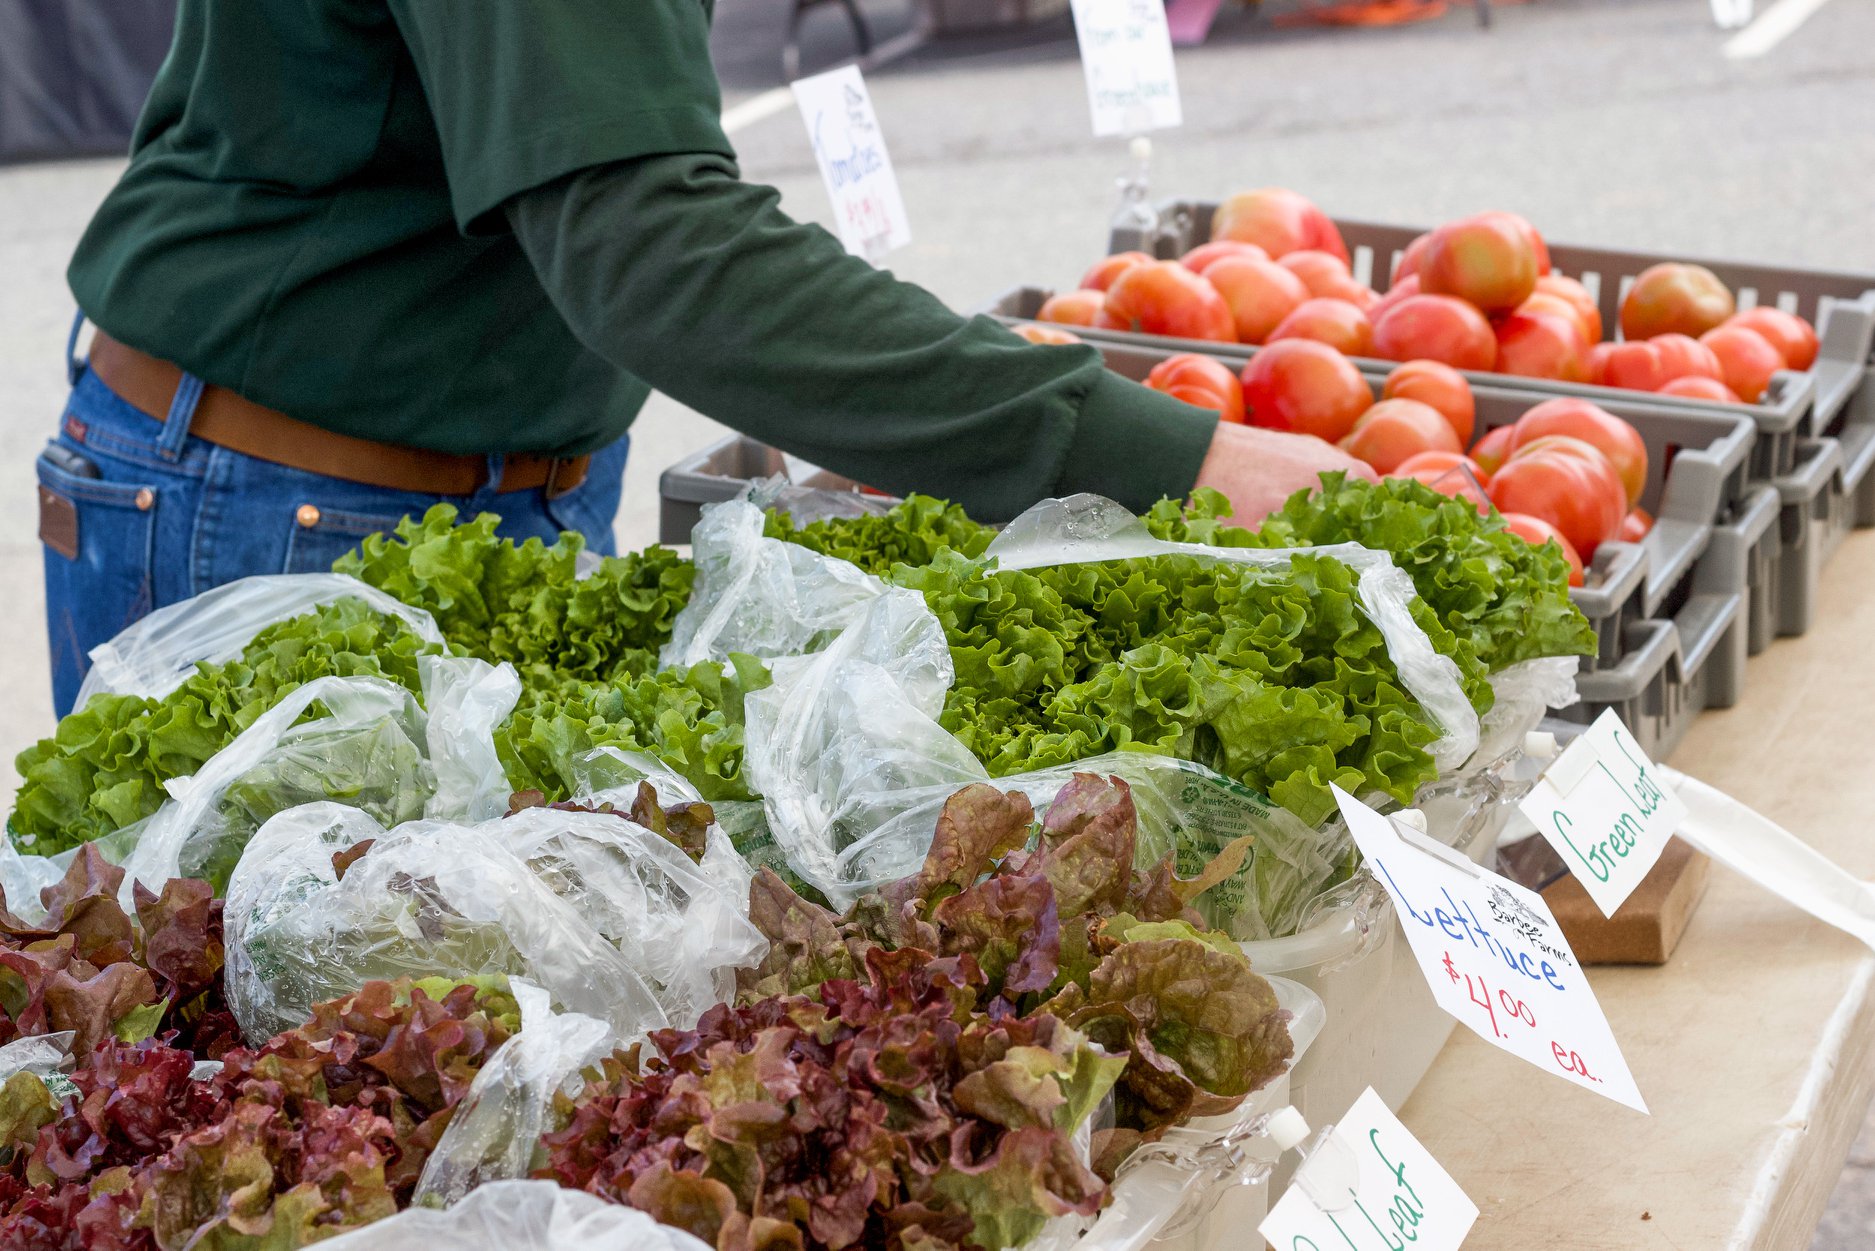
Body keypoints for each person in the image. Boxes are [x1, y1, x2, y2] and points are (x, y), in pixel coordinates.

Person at [41, 0, 1369, 716]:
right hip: (277, 504)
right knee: (260, 1137)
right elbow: (650, 247)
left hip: (435, 475)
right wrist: (1165, 452)